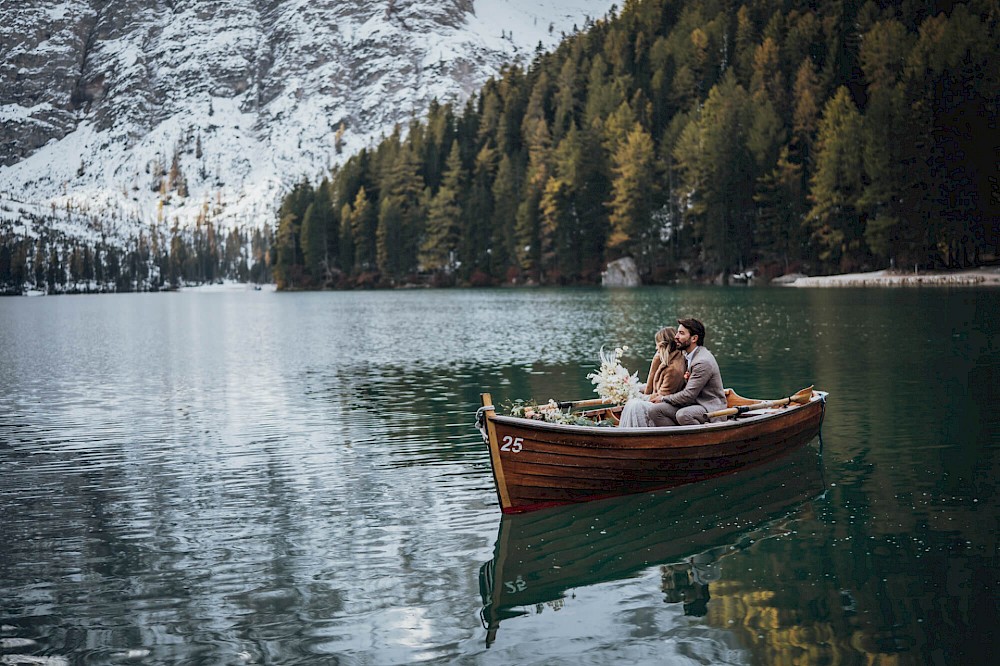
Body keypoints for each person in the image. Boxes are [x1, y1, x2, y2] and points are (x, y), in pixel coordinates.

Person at [646, 317, 727, 426]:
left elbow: (689, 395)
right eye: (677, 333)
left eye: (681, 333)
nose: (676, 337)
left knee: (684, 415)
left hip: (709, 407)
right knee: (655, 411)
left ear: (694, 338)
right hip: (691, 404)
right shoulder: (687, 355)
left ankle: (702, 440)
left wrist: (663, 398)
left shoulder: (702, 361)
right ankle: (675, 441)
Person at [617, 326, 686, 427]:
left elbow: (659, 397)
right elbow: (654, 387)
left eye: (657, 344)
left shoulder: (673, 369)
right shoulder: (667, 361)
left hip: (665, 406)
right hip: (659, 402)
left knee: (635, 405)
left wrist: (632, 394)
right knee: (633, 403)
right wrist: (631, 387)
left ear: (663, 345)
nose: (656, 348)